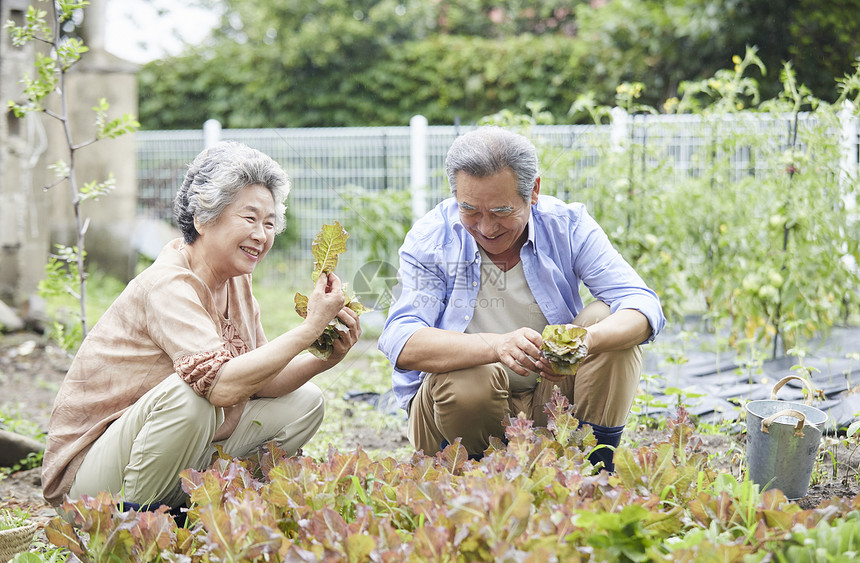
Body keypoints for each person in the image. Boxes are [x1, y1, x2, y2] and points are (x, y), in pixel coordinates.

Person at [42, 141, 362, 510]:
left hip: (161, 453)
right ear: (203, 218)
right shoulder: (168, 284)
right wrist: (308, 330)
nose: (262, 234)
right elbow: (222, 387)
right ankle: (132, 526)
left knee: (306, 403)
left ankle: (202, 506)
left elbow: (261, 382)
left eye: (270, 222)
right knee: (191, 396)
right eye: (250, 218)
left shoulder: (236, 282)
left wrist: (324, 357)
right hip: (88, 484)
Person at [378, 126, 665, 471]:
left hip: (551, 399)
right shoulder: (432, 238)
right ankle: (477, 478)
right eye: (470, 210)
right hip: (453, 415)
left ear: (534, 191)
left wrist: (586, 342)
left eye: (501, 211)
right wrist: (497, 346)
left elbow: (641, 304)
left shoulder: (567, 225)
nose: (486, 228)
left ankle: (593, 471)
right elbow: (402, 339)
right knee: (470, 378)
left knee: (607, 318)